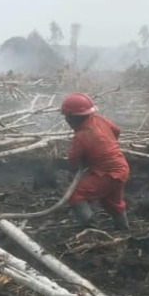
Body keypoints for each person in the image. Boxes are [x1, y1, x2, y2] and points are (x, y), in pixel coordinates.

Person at [60, 92, 131, 230]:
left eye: (67, 117)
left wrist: (87, 159)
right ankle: (123, 228)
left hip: (107, 174)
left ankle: (90, 228)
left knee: (75, 193)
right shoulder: (99, 119)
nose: (66, 120)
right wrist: (104, 147)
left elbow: (73, 160)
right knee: (112, 201)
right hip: (121, 168)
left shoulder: (82, 135)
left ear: (72, 118)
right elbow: (116, 130)